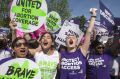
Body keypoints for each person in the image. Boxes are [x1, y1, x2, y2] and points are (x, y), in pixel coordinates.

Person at [59, 8, 97, 79]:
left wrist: (93, 15)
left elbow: (88, 32)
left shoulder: (82, 52)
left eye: (73, 38)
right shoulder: (60, 54)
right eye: (68, 38)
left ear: (77, 43)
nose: (70, 38)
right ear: (65, 42)